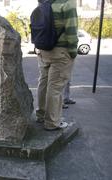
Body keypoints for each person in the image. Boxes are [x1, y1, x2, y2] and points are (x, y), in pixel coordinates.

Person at [36, 0, 78, 130]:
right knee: (55, 88)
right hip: (60, 52)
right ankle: (52, 122)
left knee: (43, 83)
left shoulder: (44, 2)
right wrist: (73, 51)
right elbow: (71, 30)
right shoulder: (68, 3)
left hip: (44, 50)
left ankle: (41, 115)